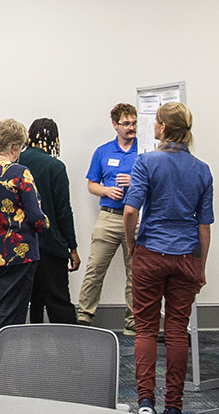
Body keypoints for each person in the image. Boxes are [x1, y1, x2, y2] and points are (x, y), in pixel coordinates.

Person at [122, 102, 212, 414]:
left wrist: (132, 245)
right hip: (186, 255)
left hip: (150, 253)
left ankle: (145, 401)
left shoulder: (147, 162)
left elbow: (130, 211)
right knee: (176, 331)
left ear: (161, 127)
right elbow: (204, 226)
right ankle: (174, 405)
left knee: (146, 329)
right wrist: (200, 266)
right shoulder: (202, 169)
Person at [0, 118, 50, 376]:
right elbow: (35, 216)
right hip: (17, 256)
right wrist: (45, 224)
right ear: (15, 147)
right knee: (10, 316)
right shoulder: (19, 173)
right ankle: (4, 374)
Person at [79, 103, 140, 331]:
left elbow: (157, 183)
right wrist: (106, 191)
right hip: (109, 217)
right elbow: (91, 185)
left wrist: (135, 182)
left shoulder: (145, 151)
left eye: (134, 123)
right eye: (126, 124)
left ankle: (133, 322)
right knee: (95, 268)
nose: (131, 127)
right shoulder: (103, 152)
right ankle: (84, 316)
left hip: (137, 218)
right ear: (115, 125)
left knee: (136, 272)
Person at [16, 118, 78, 324]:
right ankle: (67, 341)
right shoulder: (55, 167)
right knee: (58, 300)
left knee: (29, 299)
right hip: (50, 244)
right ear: (54, 139)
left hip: (21, 243)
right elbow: (63, 211)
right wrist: (72, 247)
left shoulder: (16, 162)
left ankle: (31, 338)